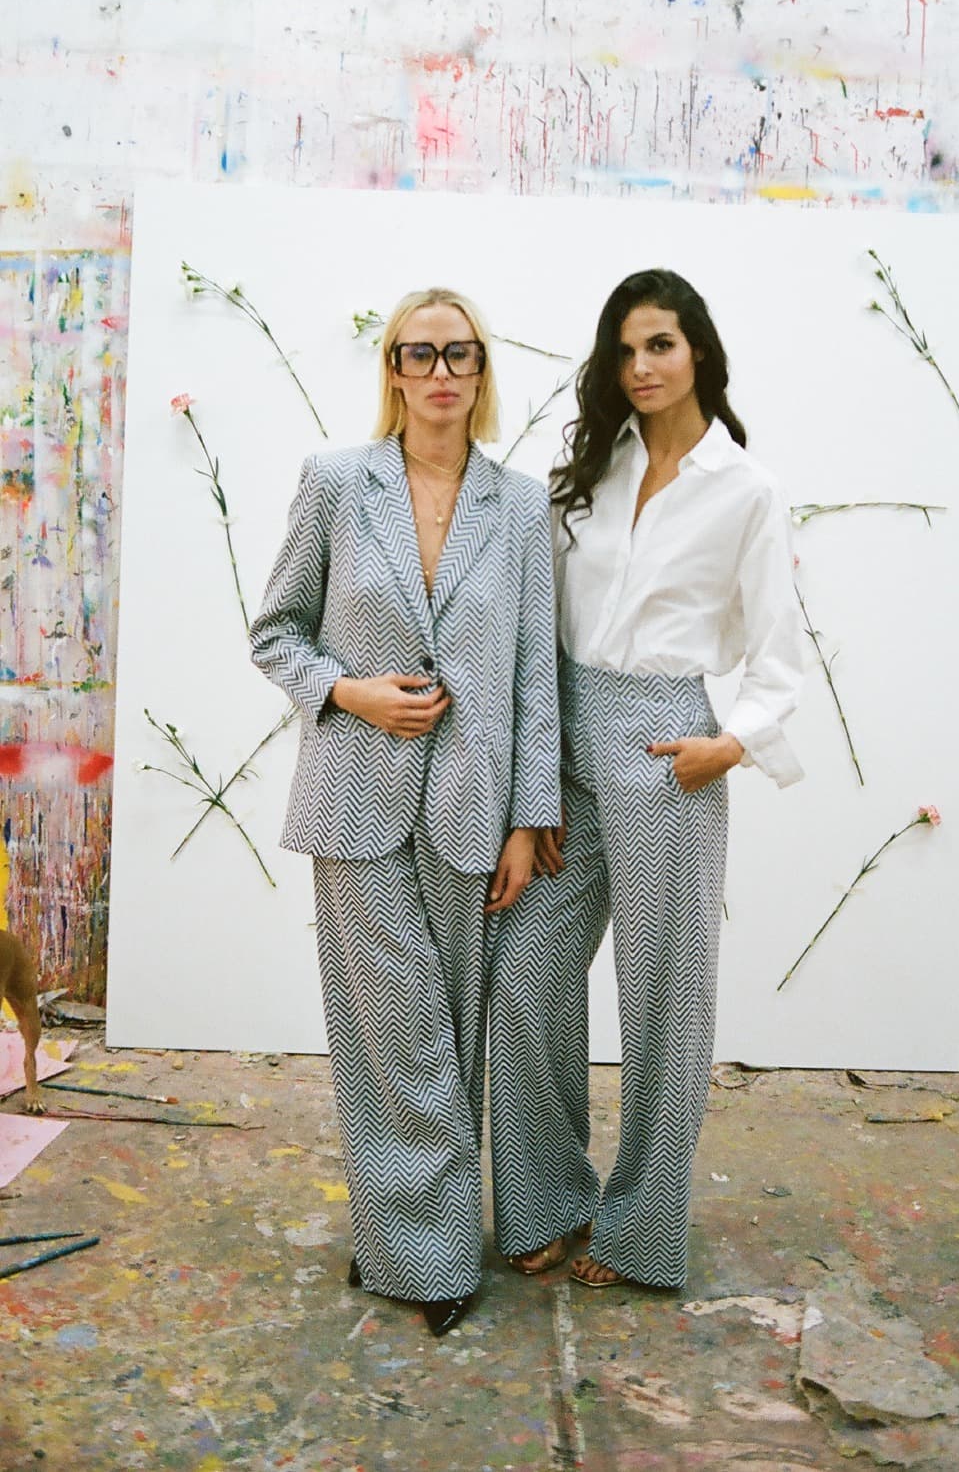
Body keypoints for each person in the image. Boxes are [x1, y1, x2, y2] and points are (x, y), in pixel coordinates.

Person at [251, 287, 560, 1336]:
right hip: (354, 795)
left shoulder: (520, 506)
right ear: (392, 369)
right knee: (395, 1034)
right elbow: (275, 633)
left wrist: (528, 818)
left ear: (480, 370)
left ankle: (401, 1234)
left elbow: (532, 676)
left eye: (458, 353)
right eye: (418, 354)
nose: (439, 372)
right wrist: (352, 692)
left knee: (454, 1034)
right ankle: (430, 1262)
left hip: (475, 807)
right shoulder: (337, 483)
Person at [489, 268, 804, 1291]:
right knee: (525, 972)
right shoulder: (591, 468)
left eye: (659, 344)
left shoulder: (746, 491)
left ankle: (640, 1233)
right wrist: (532, 770)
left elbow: (779, 657)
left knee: (664, 999)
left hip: (669, 746)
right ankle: (547, 1200)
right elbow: (540, 626)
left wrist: (729, 744)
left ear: (697, 349)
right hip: (567, 732)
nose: (640, 367)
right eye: (624, 351)